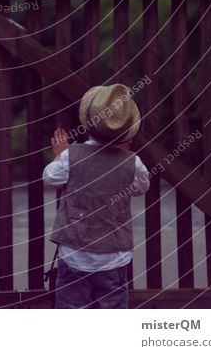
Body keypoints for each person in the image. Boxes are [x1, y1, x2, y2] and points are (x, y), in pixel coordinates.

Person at [43, 84, 150, 309]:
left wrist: (60, 155)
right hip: (114, 256)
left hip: (74, 254)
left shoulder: (71, 156)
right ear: (126, 131)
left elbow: (50, 178)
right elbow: (142, 187)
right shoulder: (132, 162)